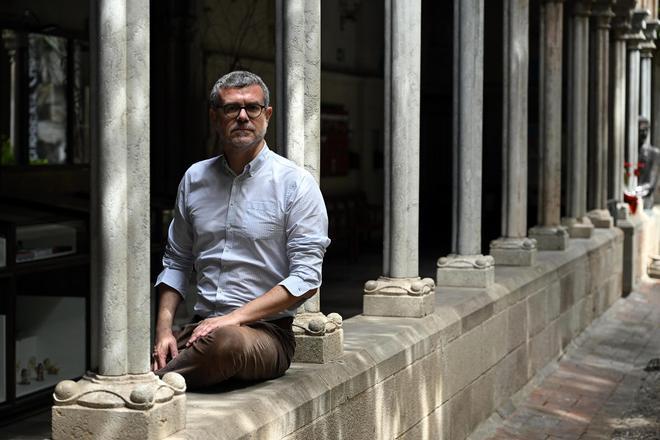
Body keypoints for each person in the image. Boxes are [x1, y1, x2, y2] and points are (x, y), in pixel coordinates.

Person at [152, 71, 330, 389]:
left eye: (253, 107)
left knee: (225, 342)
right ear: (215, 117)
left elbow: (306, 280)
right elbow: (176, 261)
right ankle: (160, 372)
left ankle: (152, 386)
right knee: (129, 351)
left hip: (266, 333)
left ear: (268, 114)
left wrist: (233, 318)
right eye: (232, 108)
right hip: (201, 326)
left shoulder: (295, 184)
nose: (243, 117)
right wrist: (164, 329)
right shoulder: (195, 179)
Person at [636, 116, 660, 210]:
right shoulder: (625, 153)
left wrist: (636, 191)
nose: (644, 134)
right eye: (641, 130)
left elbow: (651, 182)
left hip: (644, 202)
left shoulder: (654, 154)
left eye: (646, 130)